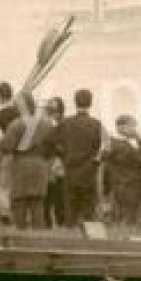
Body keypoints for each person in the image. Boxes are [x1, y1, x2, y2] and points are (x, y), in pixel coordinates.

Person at [2, 92, 56, 230]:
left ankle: (20, 238)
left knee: (19, 204)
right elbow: (52, 148)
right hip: (40, 165)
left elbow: (7, 148)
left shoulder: (15, 125)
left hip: (20, 165)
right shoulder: (47, 124)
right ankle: (38, 241)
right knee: (38, 205)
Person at [56, 88, 106, 228]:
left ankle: (69, 233)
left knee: (70, 209)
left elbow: (52, 143)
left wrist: (63, 156)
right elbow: (105, 148)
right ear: (90, 103)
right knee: (88, 210)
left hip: (70, 169)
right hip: (89, 171)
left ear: (74, 102)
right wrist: (96, 161)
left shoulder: (65, 123)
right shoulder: (96, 124)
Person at [103, 115, 141, 227]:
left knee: (122, 219)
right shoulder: (122, 144)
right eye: (132, 126)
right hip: (128, 185)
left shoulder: (112, 142)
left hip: (119, 185)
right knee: (129, 220)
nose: (134, 129)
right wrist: (140, 139)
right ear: (121, 127)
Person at [0, 81, 20, 225]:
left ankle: (5, 215)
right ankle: (16, 212)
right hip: (20, 153)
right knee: (15, 184)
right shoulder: (18, 112)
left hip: (5, 152)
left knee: (3, 185)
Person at [42, 97, 68, 228]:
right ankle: (49, 222)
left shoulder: (64, 124)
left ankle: (59, 221)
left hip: (59, 163)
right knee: (48, 194)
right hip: (50, 163)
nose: (53, 113)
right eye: (50, 110)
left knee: (58, 194)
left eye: (55, 110)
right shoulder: (46, 124)